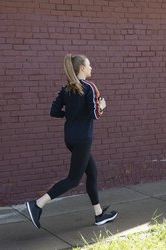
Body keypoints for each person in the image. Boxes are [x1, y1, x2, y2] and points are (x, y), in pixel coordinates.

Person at [25, 54, 118, 229]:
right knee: (73, 179)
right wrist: (102, 107)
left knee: (92, 173)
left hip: (70, 138)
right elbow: (95, 115)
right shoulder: (89, 87)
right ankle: (37, 205)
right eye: (89, 65)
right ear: (82, 68)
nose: (91, 68)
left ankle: (99, 215)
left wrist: (70, 115)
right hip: (83, 139)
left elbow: (54, 111)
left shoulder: (65, 89)